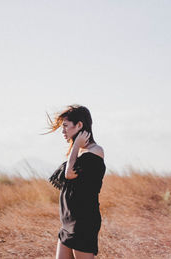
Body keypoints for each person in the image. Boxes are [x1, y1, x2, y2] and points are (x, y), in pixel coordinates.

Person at [43, 104, 106, 259]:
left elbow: (69, 173)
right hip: (68, 223)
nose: (63, 131)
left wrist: (76, 144)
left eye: (65, 126)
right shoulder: (78, 153)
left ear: (79, 125)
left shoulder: (95, 151)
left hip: (83, 223)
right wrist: (76, 148)